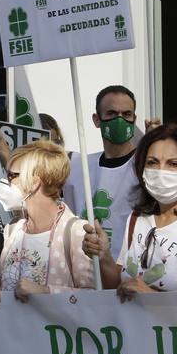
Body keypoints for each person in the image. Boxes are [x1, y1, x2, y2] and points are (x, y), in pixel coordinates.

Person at [82, 123, 177, 297]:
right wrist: (103, 256)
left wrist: (153, 299)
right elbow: (118, 285)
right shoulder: (137, 219)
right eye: (152, 162)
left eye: (173, 164)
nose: (161, 171)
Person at [0, 140, 93, 307]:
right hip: (11, 330)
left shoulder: (75, 231)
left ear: (35, 182)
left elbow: (94, 298)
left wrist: (46, 292)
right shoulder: (12, 229)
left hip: (53, 332)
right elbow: (8, 276)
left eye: (12, 176)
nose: (5, 182)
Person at [63, 85, 145, 258]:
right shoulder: (77, 165)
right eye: (112, 114)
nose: (120, 120)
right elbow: (29, 178)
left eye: (127, 114)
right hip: (83, 273)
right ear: (96, 120)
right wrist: (1, 146)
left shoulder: (144, 166)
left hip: (127, 272)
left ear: (134, 119)